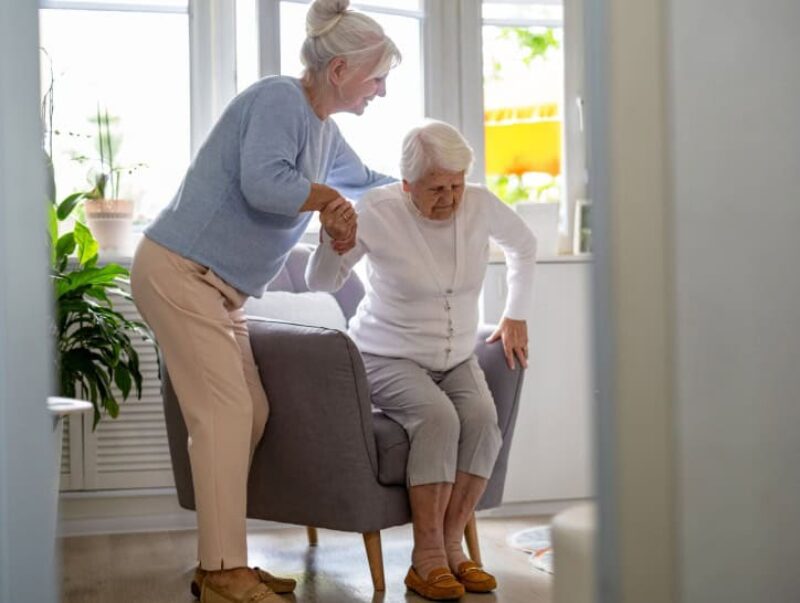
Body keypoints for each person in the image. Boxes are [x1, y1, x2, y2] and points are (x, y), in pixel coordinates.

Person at [129, 1, 400, 601]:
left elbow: (366, 183)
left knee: (248, 411)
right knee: (225, 414)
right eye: (377, 77)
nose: (381, 90)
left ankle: (222, 562)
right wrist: (328, 201)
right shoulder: (280, 99)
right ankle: (224, 570)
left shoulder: (325, 132)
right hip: (180, 271)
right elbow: (265, 184)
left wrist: (428, 187)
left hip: (220, 290)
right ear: (339, 70)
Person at [306, 120, 537, 600]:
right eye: (436, 189)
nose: (450, 198)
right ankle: (426, 556)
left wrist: (515, 312)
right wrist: (331, 241)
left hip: (456, 356)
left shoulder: (478, 203)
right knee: (437, 418)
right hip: (385, 354)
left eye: (456, 185)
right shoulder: (377, 211)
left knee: (483, 422)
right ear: (407, 184)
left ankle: (452, 547)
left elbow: (524, 243)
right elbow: (321, 282)